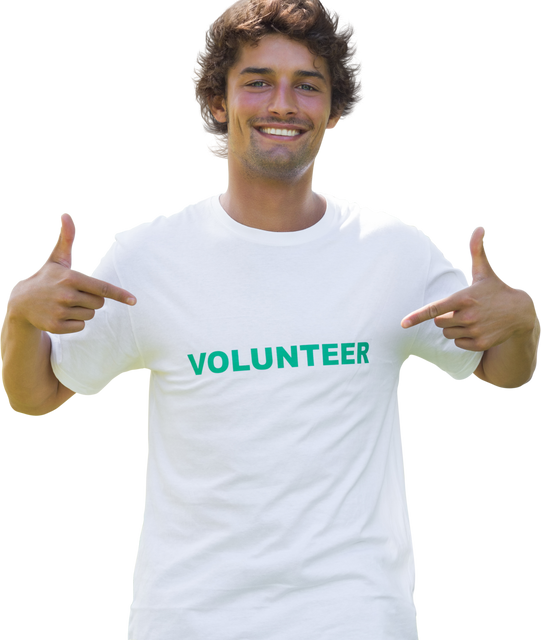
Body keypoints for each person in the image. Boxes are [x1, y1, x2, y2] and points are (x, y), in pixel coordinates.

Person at [1, 1, 539, 639]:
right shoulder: (146, 256)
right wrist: (19, 315)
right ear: (221, 103)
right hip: (189, 618)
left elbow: (501, 373)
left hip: (358, 615)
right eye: (257, 81)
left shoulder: (393, 250)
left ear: (334, 110)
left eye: (307, 85)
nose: (282, 103)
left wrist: (523, 318)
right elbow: (38, 398)